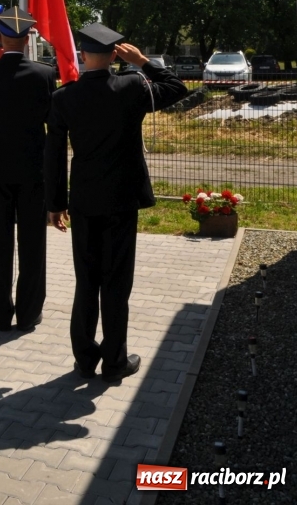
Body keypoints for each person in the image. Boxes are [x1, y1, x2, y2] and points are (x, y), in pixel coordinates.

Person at [45, 24, 187, 380]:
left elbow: (54, 156)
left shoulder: (64, 97)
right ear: (114, 55)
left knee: (86, 280)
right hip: (122, 199)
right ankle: (115, 360)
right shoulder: (131, 85)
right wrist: (143, 61)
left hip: (83, 200)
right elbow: (177, 88)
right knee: (116, 283)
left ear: (83, 55)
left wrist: (55, 203)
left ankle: (84, 359)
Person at [0, 7, 58, 333]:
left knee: (0, 242)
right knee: (33, 243)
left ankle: (2, 310)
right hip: (34, 170)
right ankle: (29, 312)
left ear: (1, 38)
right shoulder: (44, 74)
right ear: (28, 38)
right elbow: (52, 119)